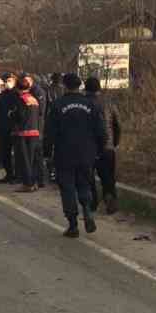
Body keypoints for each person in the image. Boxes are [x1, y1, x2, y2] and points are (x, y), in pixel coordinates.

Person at [44, 73, 108, 237]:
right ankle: (86, 209)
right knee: (84, 183)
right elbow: (101, 131)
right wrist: (100, 150)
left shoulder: (58, 105)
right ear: (79, 86)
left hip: (64, 153)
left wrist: (47, 153)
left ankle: (73, 225)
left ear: (64, 86)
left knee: (67, 187)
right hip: (86, 152)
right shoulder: (91, 104)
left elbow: (49, 132)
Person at [85, 76, 123, 214]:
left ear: (85, 88)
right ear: (99, 88)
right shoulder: (108, 103)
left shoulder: (83, 103)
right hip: (107, 146)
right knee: (108, 177)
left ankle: (92, 202)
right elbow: (117, 124)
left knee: (88, 176)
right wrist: (115, 142)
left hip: (88, 147)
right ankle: (110, 199)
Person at [11, 74, 45, 192]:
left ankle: (27, 184)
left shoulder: (20, 99)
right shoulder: (33, 99)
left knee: (25, 160)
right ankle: (34, 182)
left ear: (18, 88)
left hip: (24, 133)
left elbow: (19, 115)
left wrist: (12, 114)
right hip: (34, 132)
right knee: (33, 160)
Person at [0, 75, 21, 182]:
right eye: (6, 81)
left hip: (14, 128)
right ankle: (9, 174)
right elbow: (0, 110)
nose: (7, 83)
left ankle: (18, 176)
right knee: (5, 152)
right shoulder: (3, 94)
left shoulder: (17, 94)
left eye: (9, 81)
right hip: (3, 127)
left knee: (18, 153)